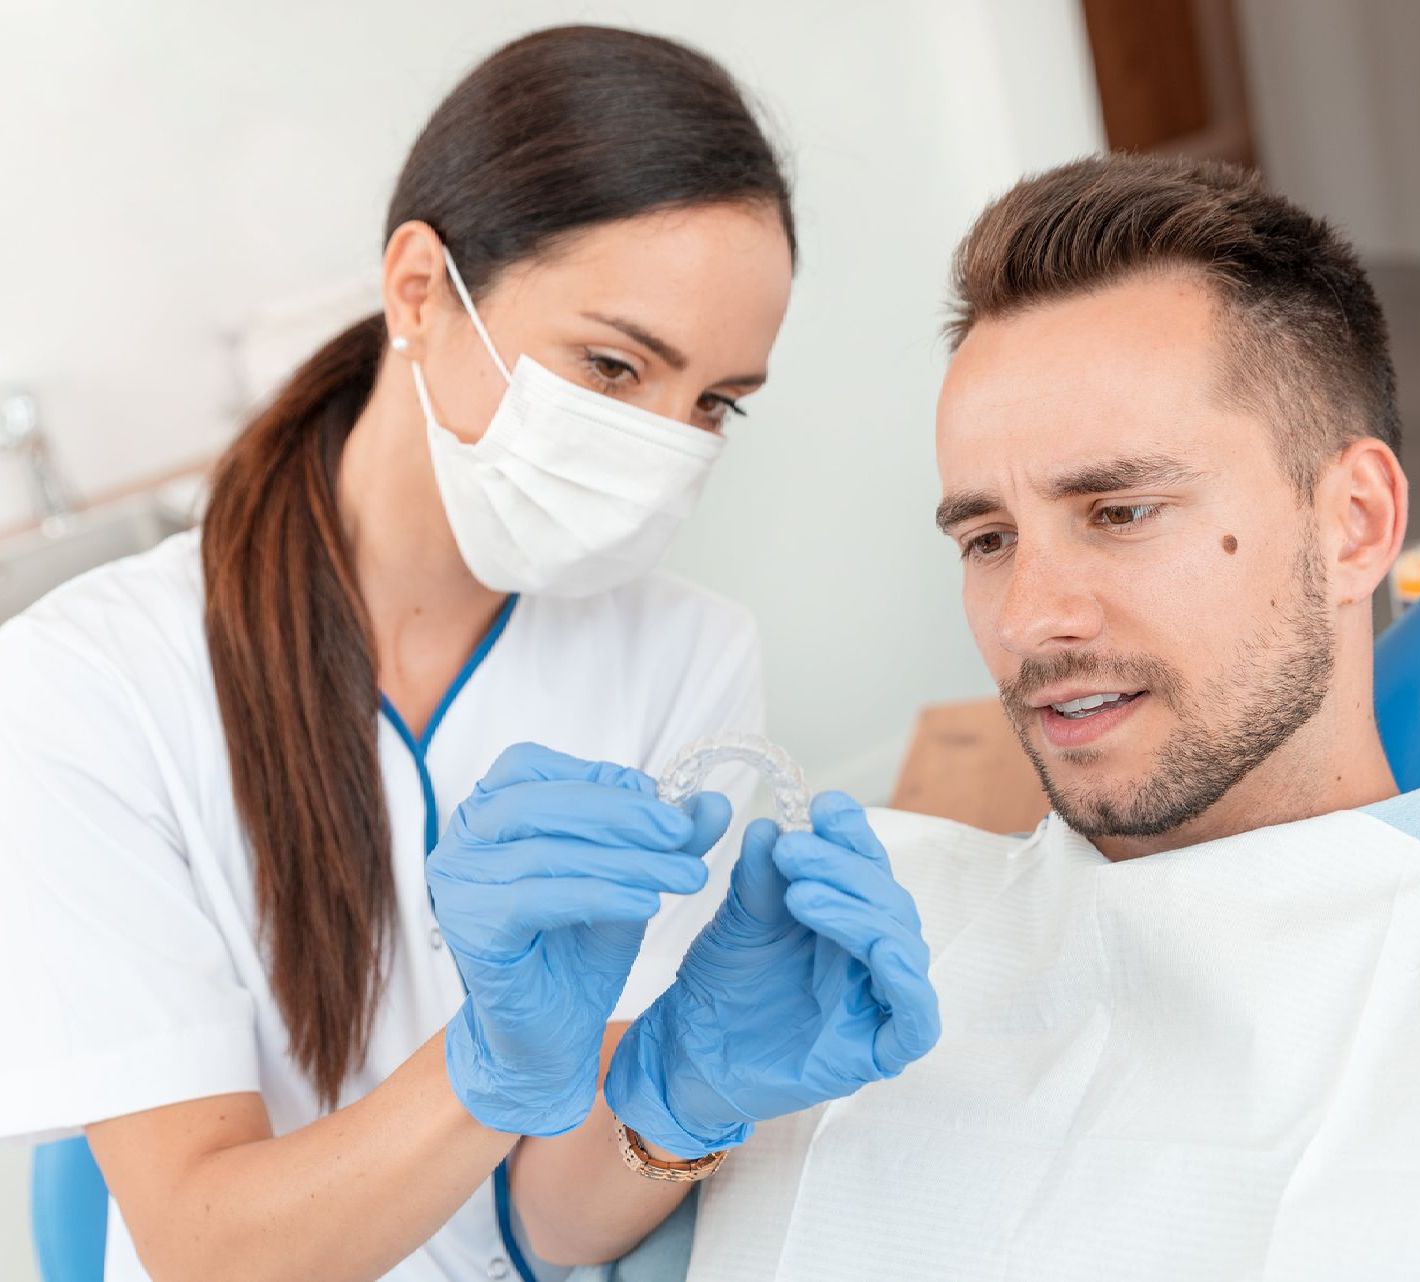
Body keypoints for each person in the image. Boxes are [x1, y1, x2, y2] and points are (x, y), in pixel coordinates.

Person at [0, 26, 936, 1282]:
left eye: (712, 402)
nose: (665, 446)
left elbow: (552, 1226)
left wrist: (684, 1091)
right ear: (421, 293)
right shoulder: (89, 685)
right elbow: (206, 1249)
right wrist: (485, 1067)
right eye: (611, 366)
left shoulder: (685, 655)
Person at [671, 155, 1420, 1280]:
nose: (1027, 619)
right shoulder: (857, 962)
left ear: (1354, 525)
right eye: (986, 539)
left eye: (1118, 511)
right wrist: (655, 1103)